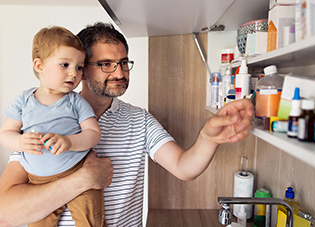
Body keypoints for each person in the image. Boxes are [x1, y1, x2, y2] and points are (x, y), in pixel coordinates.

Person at [0, 22, 254, 227]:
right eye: (106, 64)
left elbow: (184, 168)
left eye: (123, 62)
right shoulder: (40, 116)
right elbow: (5, 213)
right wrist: (82, 180)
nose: (120, 72)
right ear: (83, 71)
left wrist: (208, 138)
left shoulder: (139, 120)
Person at [0, 26, 105, 227]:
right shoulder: (24, 101)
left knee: (90, 220)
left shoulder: (75, 101)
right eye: (65, 64)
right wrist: (20, 142)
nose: (73, 73)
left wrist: (69, 141)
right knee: (38, 222)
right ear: (39, 65)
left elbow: (93, 133)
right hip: (38, 181)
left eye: (79, 67)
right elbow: (5, 133)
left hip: (77, 168)